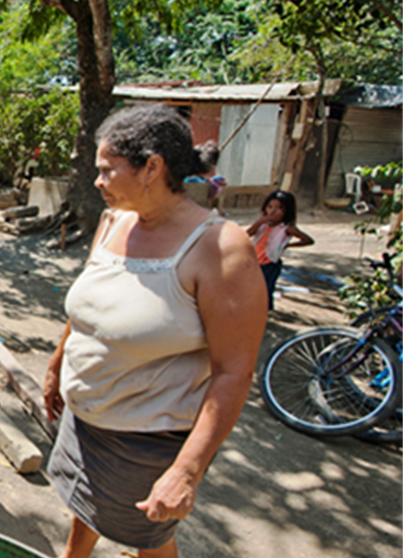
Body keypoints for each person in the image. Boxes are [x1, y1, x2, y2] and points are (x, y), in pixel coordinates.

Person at [42, 104, 267, 558]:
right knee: (87, 505)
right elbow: (90, 306)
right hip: (86, 417)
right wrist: (57, 363)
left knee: (150, 533)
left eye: (107, 171)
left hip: (145, 437)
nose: (98, 182)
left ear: (152, 167)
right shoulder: (115, 221)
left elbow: (233, 373)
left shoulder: (220, 249)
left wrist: (186, 471)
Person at [246, 190, 314, 310]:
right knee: (249, 288)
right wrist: (259, 223)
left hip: (270, 264)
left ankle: (263, 312)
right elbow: (246, 235)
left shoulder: (287, 228)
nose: (273, 211)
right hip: (255, 261)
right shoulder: (263, 224)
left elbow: (308, 240)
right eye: (270, 207)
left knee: (265, 290)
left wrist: (288, 245)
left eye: (279, 208)